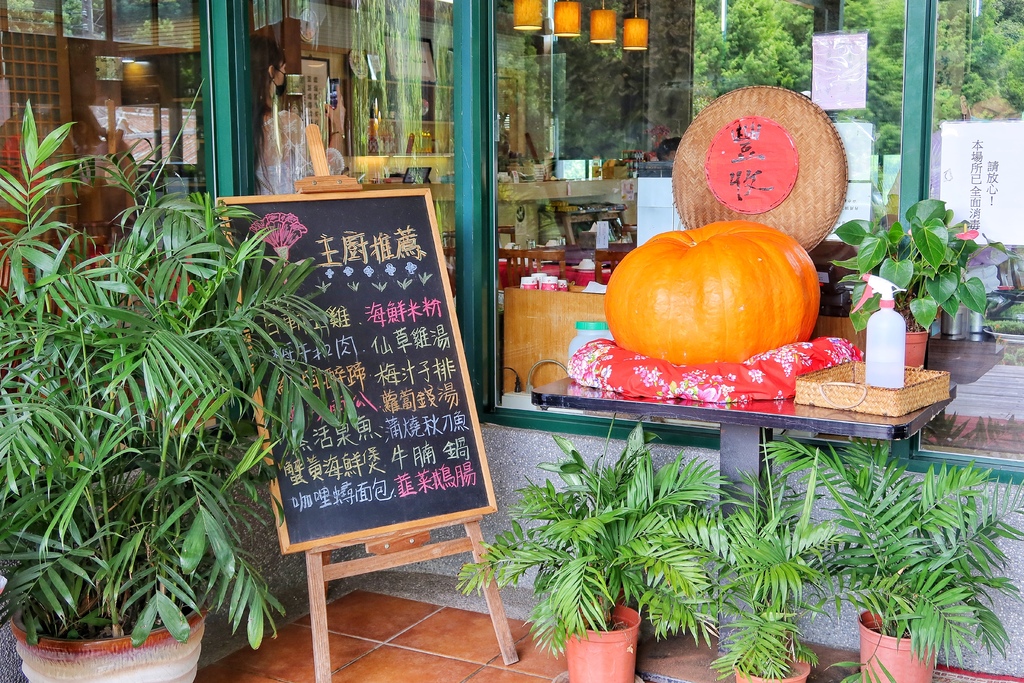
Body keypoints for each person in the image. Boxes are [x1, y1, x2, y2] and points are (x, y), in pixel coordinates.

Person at [251, 35, 346, 195]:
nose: (284, 75)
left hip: (251, 217)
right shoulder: (286, 123)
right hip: (287, 217)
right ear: (271, 72)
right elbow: (323, 175)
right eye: (284, 69)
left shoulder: (238, 122)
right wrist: (338, 125)